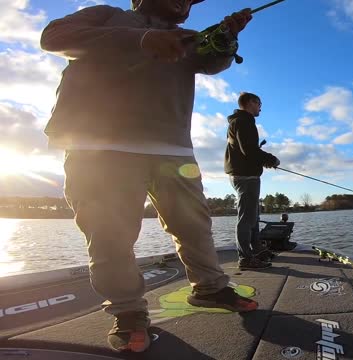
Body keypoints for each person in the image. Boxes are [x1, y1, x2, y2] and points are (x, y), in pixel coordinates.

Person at [40, 0, 256, 353]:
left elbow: (213, 61)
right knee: (110, 233)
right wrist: (141, 39)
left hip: (173, 149)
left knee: (194, 225)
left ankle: (210, 288)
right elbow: (53, 37)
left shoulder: (186, 36)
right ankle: (127, 312)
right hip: (97, 146)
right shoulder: (107, 15)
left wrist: (228, 38)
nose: (186, 2)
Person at [224, 92, 280, 269]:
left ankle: (256, 250)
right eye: (259, 103)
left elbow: (246, 151)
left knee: (253, 216)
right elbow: (248, 149)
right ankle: (245, 258)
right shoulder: (243, 121)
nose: (260, 107)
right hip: (245, 177)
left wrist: (262, 160)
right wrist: (271, 159)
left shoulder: (240, 121)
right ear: (249, 103)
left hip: (246, 175)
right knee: (247, 218)